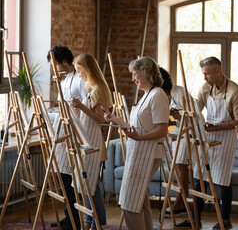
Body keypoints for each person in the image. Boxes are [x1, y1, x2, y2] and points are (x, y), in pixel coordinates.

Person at [175, 56, 238, 230]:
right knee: (199, 179)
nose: (204, 77)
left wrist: (216, 127)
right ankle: (195, 218)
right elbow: (195, 110)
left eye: (207, 74)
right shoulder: (205, 88)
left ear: (218, 71)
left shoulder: (235, 91)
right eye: (203, 74)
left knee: (223, 181)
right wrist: (180, 114)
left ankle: (225, 219)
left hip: (225, 140)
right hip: (207, 137)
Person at [104, 57, 169, 230]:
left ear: (146, 71)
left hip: (148, 154)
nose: (132, 78)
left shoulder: (157, 95)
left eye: (134, 74)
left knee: (129, 201)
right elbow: (137, 128)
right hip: (138, 153)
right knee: (140, 201)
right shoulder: (146, 95)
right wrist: (116, 120)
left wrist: (139, 138)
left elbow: (163, 130)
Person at [47, 45, 87, 230]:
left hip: (74, 134)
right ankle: (68, 215)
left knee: (70, 179)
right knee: (63, 176)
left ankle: (75, 219)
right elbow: (64, 110)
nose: (54, 69)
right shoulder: (63, 81)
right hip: (62, 132)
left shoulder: (79, 80)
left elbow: (82, 110)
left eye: (55, 64)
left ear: (64, 62)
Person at [71, 53, 112, 230]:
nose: (79, 75)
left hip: (93, 138)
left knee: (91, 184)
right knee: (86, 183)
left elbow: (100, 118)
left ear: (87, 70)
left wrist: (80, 106)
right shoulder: (93, 88)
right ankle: (90, 220)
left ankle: (98, 222)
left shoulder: (97, 90)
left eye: (79, 71)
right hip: (88, 136)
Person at [159, 68, 188, 216]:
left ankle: (181, 203)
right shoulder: (166, 95)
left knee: (180, 166)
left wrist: (176, 119)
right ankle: (179, 202)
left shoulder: (179, 93)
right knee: (177, 166)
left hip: (187, 134)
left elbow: (189, 118)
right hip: (177, 134)